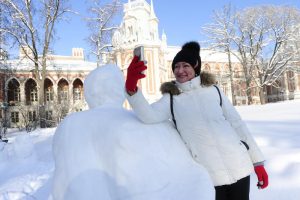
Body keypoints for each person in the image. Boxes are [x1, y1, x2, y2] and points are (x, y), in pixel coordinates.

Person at [125, 41, 269, 200]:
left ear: (196, 67)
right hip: (210, 176)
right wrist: (131, 86)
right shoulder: (172, 98)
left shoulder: (214, 90)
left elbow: (237, 124)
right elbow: (149, 116)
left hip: (240, 165)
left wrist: (258, 163)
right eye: (176, 66)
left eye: (185, 65)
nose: (180, 70)